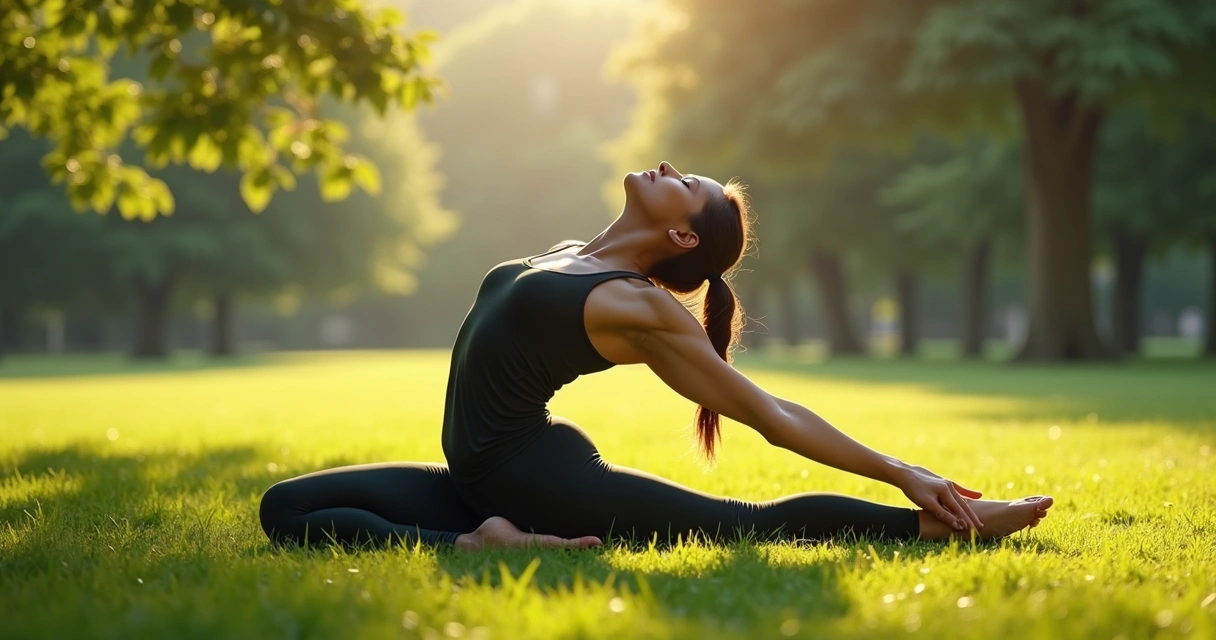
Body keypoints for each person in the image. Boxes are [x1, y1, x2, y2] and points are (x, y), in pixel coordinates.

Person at [259, 161, 1053, 551]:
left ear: (682, 235)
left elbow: (771, 416)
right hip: (482, 476)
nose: (670, 167)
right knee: (284, 508)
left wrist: (903, 471)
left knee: (745, 526)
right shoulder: (573, 253)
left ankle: (944, 523)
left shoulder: (638, 306)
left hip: (537, 476)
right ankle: (479, 544)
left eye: (687, 182)